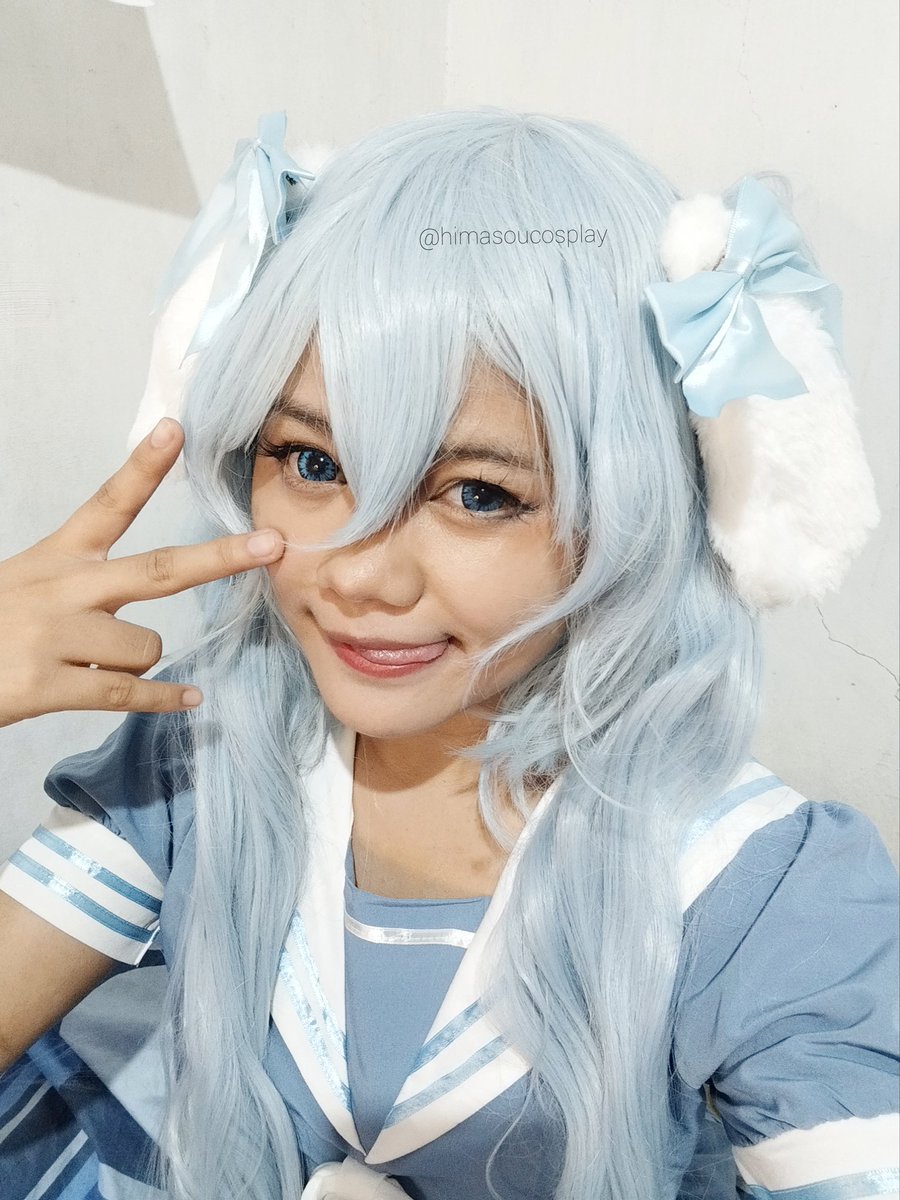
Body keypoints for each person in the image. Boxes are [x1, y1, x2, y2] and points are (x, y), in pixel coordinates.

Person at [0, 107, 897, 1200]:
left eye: (478, 494)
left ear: (636, 511)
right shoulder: (204, 753)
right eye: (314, 463)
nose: (360, 575)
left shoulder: (758, 890)